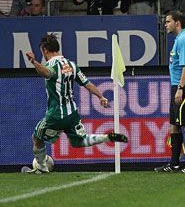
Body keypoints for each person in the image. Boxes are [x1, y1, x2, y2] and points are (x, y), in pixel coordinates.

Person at [24, 34, 128, 174]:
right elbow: (87, 84)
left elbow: (47, 73)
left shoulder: (51, 65)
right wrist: (100, 96)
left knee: (36, 138)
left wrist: (34, 62)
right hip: (72, 113)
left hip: (56, 114)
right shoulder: (71, 64)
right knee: (79, 141)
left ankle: (42, 168)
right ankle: (106, 137)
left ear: (45, 51)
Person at [155, 11, 185, 173]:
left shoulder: (184, 40)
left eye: (168, 22)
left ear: (177, 23)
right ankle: (174, 164)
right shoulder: (178, 40)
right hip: (179, 86)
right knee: (174, 125)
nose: (165, 25)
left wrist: (180, 88)